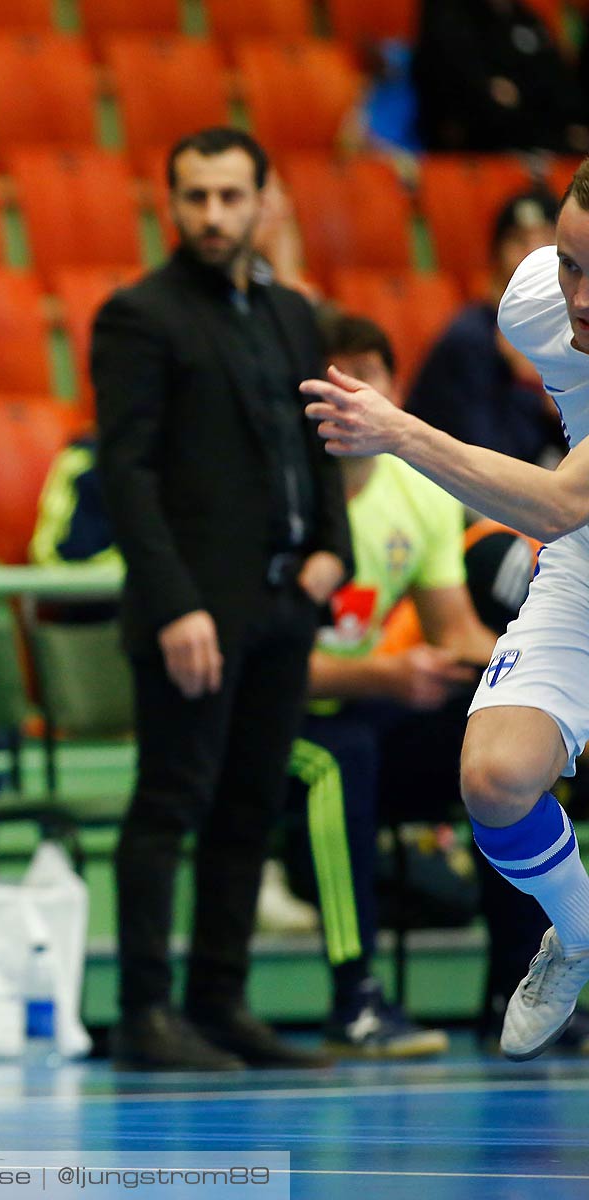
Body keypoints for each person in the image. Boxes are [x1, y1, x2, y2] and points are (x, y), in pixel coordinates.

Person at [302, 158, 589, 1061]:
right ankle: (577, 936)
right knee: (495, 779)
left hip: (571, 514)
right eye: (573, 263)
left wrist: (398, 430)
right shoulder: (532, 302)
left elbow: (554, 504)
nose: (580, 297)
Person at [94, 126, 352, 1072]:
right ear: (171, 203)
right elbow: (125, 474)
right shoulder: (139, 315)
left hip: (283, 605)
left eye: (230, 197)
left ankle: (219, 1001)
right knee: (170, 805)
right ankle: (145, 1013)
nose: (212, 215)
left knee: (250, 807)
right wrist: (173, 606)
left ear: (262, 200)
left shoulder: (291, 312)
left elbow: (317, 434)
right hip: (191, 616)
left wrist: (336, 545)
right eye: (195, 196)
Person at [286, 314, 511, 1058]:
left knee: (505, 745)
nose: (351, 391)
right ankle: (356, 1003)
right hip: (276, 723)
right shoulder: (273, 494)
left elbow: (455, 635)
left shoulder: (421, 495)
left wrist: (540, 674)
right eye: (334, 373)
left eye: (369, 374)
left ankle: (520, 996)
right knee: (338, 755)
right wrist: (383, 673)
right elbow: (266, 667)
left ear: (392, 390)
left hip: (368, 707)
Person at [408, 190, 568, 467]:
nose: (533, 253)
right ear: (496, 257)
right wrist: (529, 388)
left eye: (546, 240)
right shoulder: (469, 340)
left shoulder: (564, 336)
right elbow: (488, 463)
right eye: (519, 241)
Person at [413, 0, 588, 155]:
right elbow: (471, 92)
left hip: (548, 140)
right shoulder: (448, 13)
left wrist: (571, 124)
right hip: (481, 149)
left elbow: (557, 82)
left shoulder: (525, 17)